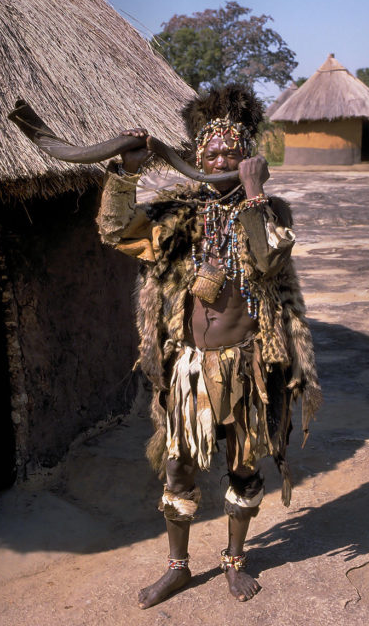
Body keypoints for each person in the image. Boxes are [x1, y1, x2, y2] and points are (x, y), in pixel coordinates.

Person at [97, 84, 322, 608]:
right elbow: (115, 230)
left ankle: (234, 560)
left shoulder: (271, 211)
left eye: (233, 150)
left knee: (245, 467)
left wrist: (254, 195)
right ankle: (177, 566)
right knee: (178, 466)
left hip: (249, 369)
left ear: (248, 156)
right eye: (213, 151)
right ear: (198, 155)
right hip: (190, 370)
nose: (222, 157)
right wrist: (125, 172)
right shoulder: (178, 213)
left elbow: (268, 262)